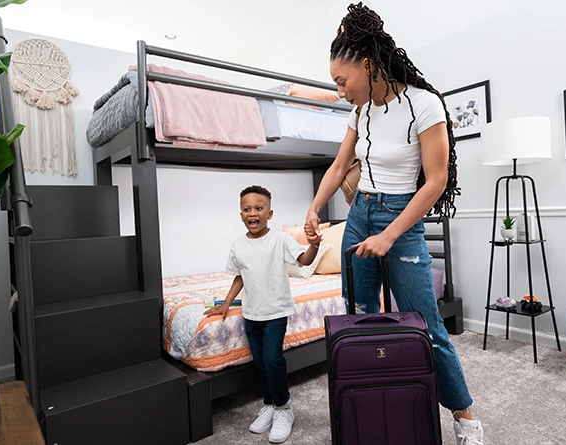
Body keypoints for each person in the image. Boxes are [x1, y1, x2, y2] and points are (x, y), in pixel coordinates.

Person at [304, 3, 484, 444]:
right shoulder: (359, 113)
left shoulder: (423, 105)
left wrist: (389, 234)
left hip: (398, 217)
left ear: (367, 64)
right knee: (360, 318)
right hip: (360, 213)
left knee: (426, 323)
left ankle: (466, 419)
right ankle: (370, 409)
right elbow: (339, 166)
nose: (340, 91)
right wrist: (314, 207)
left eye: (342, 81)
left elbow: (437, 180)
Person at [205, 185, 321, 444]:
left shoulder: (279, 240)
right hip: (251, 314)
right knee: (259, 362)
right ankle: (269, 403)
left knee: (272, 359)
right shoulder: (238, 244)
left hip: (276, 312)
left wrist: (314, 244)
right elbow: (240, 277)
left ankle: (283, 407)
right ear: (241, 215)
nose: (252, 213)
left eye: (259, 208)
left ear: (270, 213)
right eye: (247, 209)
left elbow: (302, 260)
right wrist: (226, 304)